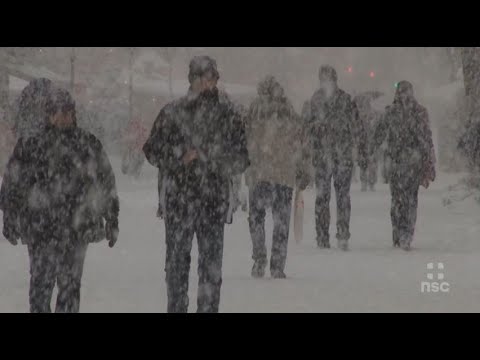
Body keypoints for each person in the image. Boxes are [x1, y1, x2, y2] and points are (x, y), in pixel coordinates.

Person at [143, 56, 249, 313]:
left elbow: (242, 158)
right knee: (177, 267)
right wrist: (180, 156)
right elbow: (151, 150)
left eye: (213, 78)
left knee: (211, 269)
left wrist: (217, 159)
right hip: (179, 201)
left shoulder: (228, 114)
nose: (209, 83)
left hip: (212, 201)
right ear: (193, 79)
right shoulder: (173, 112)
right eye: (204, 78)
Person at [0, 87, 119, 312]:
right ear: (49, 114)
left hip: (76, 228)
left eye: (67, 111)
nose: (63, 116)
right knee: (40, 286)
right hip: (40, 228)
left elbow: (106, 182)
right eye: (57, 111)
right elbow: (12, 183)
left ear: (73, 114)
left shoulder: (87, 144)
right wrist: (9, 215)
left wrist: (112, 217)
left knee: (70, 287)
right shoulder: (30, 144)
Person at [245, 76, 309, 278]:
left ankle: (259, 258)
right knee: (281, 221)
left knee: (256, 218)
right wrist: (302, 168)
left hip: (259, 173)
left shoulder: (254, 109)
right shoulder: (288, 109)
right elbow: (301, 141)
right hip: (283, 174)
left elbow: (244, 137)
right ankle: (278, 264)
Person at [302, 65, 367, 251]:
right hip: (325, 155)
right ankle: (324, 235)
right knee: (325, 197)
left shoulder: (343, 100)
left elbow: (357, 127)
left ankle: (341, 233)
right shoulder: (316, 100)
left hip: (339, 155)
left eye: (328, 79)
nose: (326, 82)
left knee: (341, 196)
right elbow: (306, 128)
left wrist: (361, 150)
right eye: (323, 79)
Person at [370, 81, 436, 251]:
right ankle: (405, 233)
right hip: (408, 162)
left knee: (399, 200)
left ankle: (400, 233)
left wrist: (372, 148)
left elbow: (378, 135)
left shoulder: (393, 112)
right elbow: (426, 140)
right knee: (408, 200)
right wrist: (429, 161)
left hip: (399, 163)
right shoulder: (416, 112)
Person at [354, 94, 382, 191]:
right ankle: (364, 182)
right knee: (363, 164)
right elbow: (357, 130)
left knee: (372, 165)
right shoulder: (359, 116)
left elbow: (379, 129)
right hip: (363, 143)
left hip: (372, 143)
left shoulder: (376, 114)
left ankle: (371, 182)